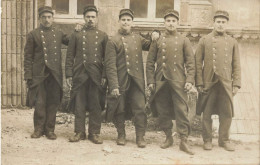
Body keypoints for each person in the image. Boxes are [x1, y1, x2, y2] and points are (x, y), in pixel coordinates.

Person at [105, 9, 159, 148]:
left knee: (140, 108)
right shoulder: (113, 40)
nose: (126, 22)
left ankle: (140, 137)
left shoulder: (137, 38)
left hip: (137, 81)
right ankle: (121, 135)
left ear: (132, 22)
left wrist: (155, 34)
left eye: (128, 20)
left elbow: (152, 45)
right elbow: (110, 65)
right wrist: (114, 85)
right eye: (123, 19)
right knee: (120, 108)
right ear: (119, 21)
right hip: (121, 80)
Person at [146, 9, 195, 155]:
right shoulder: (157, 40)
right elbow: (149, 63)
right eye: (168, 21)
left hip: (179, 82)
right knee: (163, 110)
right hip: (161, 81)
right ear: (164, 23)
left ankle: (184, 140)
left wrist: (190, 80)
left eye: (173, 21)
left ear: (177, 23)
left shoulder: (184, 40)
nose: (171, 23)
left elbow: (190, 63)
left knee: (181, 110)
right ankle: (168, 137)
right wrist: (151, 81)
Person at [195, 10, 241, 151]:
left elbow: (236, 64)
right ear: (213, 23)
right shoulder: (204, 40)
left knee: (226, 113)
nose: (220, 25)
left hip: (226, 83)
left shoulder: (232, 42)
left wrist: (237, 83)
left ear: (226, 24)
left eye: (223, 22)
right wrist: (199, 82)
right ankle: (207, 140)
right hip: (209, 81)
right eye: (218, 22)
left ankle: (224, 140)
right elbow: (197, 63)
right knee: (207, 113)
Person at [24, 6, 69, 140]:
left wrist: (80, 30)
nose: (47, 20)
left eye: (49, 17)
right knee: (40, 102)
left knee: (53, 102)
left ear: (53, 18)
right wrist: (28, 75)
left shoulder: (58, 33)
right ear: (39, 18)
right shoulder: (33, 34)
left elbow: (71, 41)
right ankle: (38, 129)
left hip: (54, 74)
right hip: (39, 74)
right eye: (44, 17)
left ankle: (50, 130)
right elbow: (28, 57)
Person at [66, 5, 108, 144]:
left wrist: (104, 76)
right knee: (79, 105)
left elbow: (106, 59)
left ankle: (94, 133)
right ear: (84, 18)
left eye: (93, 17)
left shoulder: (102, 35)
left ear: (97, 18)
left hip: (96, 75)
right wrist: (68, 75)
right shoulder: (76, 34)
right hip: (80, 74)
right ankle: (79, 132)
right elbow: (69, 56)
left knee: (95, 105)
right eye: (88, 17)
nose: (90, 19)